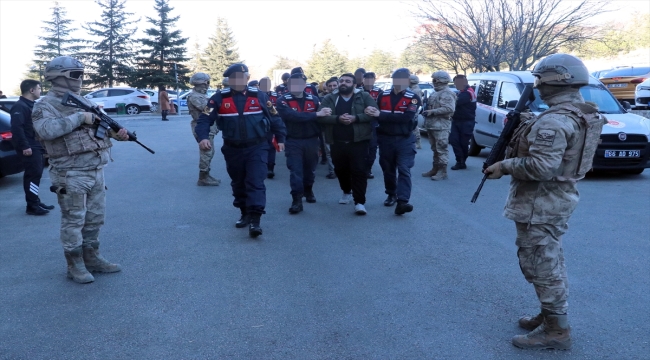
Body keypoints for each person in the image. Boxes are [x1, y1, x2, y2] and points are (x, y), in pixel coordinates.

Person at [484, 54, 605, 350]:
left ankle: (557, 331)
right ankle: (549, 314)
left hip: (541, 203)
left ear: (552, 81)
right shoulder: (581, 112)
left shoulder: (554, 120)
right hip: (557, 198)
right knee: (549, 258)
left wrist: (506, 165)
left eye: (539, 79)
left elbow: (541, 167)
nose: (536, 85)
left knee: (541, 265)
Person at [32, 56, 128, 284]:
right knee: (74, 220)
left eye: (80, 74)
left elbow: (100, 127)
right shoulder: (44, 105)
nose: (80, 79)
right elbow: (46, 130)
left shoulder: (82, 100)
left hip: (95, 169)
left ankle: (92, 258)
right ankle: (74, 265)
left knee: (95, 219)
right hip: (70, 173)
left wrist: (117, 133)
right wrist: (80, 117)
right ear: (58, 77)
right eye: (75, 74)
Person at [196, 63, 286, 238]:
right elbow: (204, 120)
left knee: (255, 182)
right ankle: (244, 212)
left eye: (241, 77)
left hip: (257, 147)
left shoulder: (260, 96)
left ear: (246, 78)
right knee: (238, 183)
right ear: (229, 80)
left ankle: (255, 220)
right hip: (233, 149)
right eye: (233, 78)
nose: (237, 81)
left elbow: (275, 117)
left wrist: (281, 138)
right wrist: (203, 137)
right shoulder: (218, 98)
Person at [317, 73, 377, 215]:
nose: (344, 83)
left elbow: (373, 113)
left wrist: (355, 118)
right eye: (341, 81)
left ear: (354, 85)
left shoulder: (364, 96)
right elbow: (320, 117)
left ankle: (360, 202)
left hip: (359, 141)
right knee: (341, 170)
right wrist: (338, 119)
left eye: (348, 81)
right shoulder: (330, 98)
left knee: (359, 171)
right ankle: (346, 191)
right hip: (337, 141)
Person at [365, 68, 420, 215]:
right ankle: (391, 193)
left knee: (404, 168)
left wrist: (380, 114)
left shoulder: (413, 97)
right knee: (387, 168)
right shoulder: (383, 96)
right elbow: (374, 114)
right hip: (385, 138)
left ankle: (403, 201)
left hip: (405, 139)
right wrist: (373, 113)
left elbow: (405, 119)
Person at [276, 73, 331, 214]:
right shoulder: (282, 100)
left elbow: (323, 118)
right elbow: (291, 116)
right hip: (293, 140)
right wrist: (315, 115)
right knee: (296, 171)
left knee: (310, 170)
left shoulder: (314, 99)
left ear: (305, 85)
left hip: (312, 140)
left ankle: (308, 189)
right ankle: (297, 200)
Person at [10, 79, 54, 215]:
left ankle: (35, 200)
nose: (40, 91)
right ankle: (32, 206)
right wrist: (25, 146)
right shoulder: (20, 106)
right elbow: (17, 129)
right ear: (31, 90)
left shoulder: (30, 105)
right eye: (39, 88)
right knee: (32, 175)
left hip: (35, 145)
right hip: (29, 146)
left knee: (36, 175)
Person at [421, 71, 456, 180]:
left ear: (441, 80)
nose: (434, 82)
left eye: (435, 80)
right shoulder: (436, 92)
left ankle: (442, 171)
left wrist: (433, 111)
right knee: (435, 149)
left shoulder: (446, 93)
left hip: (441, 126)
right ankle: (435, 169)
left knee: (442, 149)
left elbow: (450, 109)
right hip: (432, 125)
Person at [187, 72, 220, 186]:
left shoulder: (202, 95)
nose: (206, 86)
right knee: (206, 152)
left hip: (208, 127)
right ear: (199, 84)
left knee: (210, 152)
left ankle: (206, 174)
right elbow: (207, 109)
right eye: (205, 83)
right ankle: (203, 178)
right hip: (201, 127)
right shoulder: (194, 96)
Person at [449, 75, 477, 170]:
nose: (456, 85)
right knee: (454, 140)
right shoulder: (463, 92)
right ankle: (460, 161)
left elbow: (455, 103)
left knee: (463, 143)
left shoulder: (467, 93)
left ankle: (461, 161)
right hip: (458, 120)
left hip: (466, 122)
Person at [259, 77, 279, 179]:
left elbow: (279, 110)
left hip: (271, 124)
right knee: (260, 147)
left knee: (271, 146)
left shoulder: (276, 95)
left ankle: (270, 168)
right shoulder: (255, 95)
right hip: (258, 125)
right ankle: (262, 167)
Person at [362, 72, 381, 179]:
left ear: (374, 80)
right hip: (360, 122)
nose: (369, 81)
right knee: (360, 148)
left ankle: (368, 169)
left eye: (371, 79)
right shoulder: (357, 91)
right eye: (366, 79)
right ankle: (359, 168)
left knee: (372, 147)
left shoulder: (380, 92)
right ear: (363, 80)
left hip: (374, 123)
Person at [322, 77, 339, 179]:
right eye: (330, 86)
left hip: (343, 129)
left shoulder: (346, 97)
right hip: (328, 128)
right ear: (327, 88)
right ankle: (332, 171)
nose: (332, 88)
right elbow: (322, 114)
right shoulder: (325, 99)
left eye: (334, 85)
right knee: (329, 151)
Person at [408, 74, 423, 149]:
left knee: (415, 127)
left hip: (414, 110)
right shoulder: (411, 89)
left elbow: (416, 102)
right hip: (412, 110)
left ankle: (418, 142)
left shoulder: (416, 90)